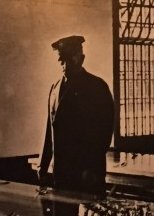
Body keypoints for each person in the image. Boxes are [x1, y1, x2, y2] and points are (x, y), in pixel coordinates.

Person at [38, 35, 115, 196]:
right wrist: (43, 165)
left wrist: (91, 168)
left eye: (69, 60)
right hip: (61, 171)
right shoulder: (55, 88)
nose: (64, 65)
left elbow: (103, 133)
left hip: (86, 173)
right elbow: (50, 130)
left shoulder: (96, 87)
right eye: (61, 60)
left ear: (81, 59)